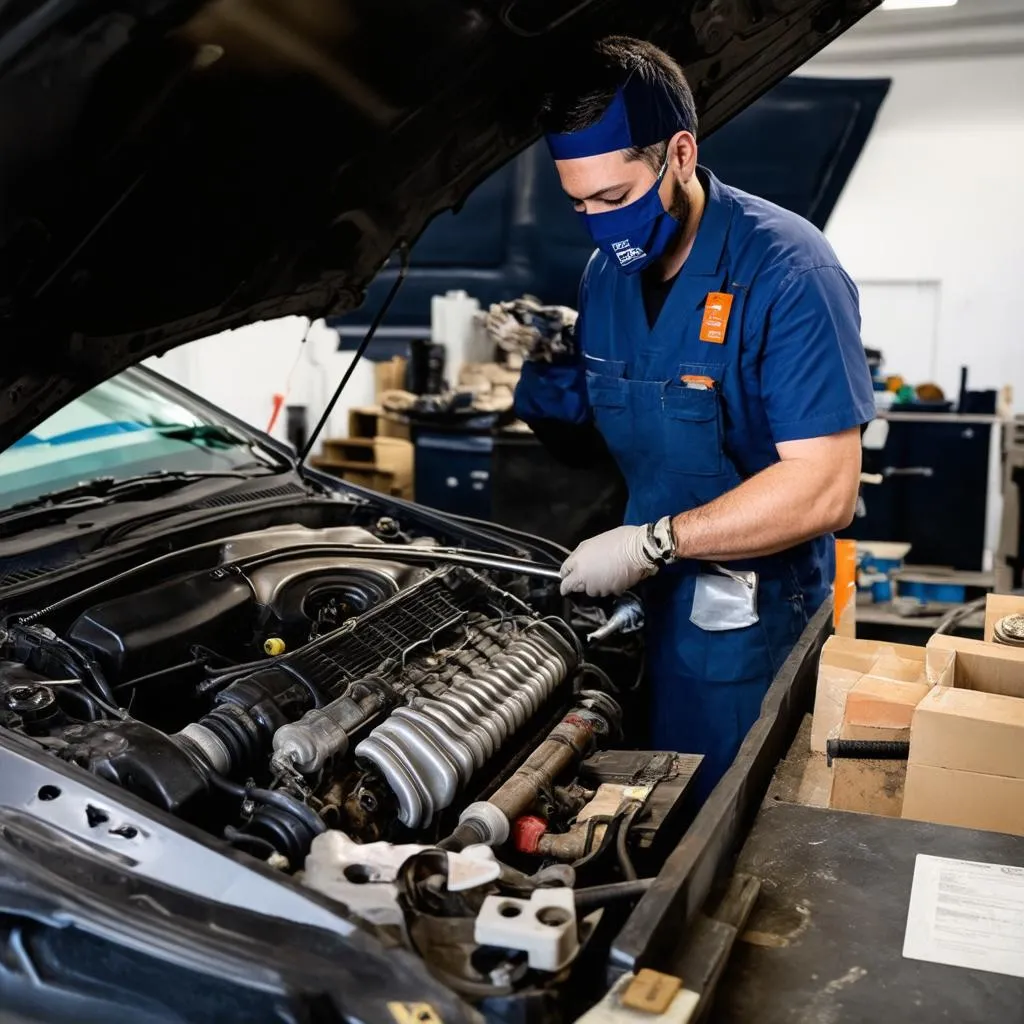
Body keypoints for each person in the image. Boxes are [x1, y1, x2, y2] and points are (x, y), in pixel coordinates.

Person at [514, 37, 875, 796]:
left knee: (717, 825)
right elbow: (616, 428)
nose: (599, 226)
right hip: (639, 610)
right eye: (579, 204)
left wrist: (654, 541)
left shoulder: (789, 271)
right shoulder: (604, 276)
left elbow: (824, 489)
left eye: (614, 199)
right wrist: (550, 369)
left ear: (679, 154)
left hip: (748, 625)